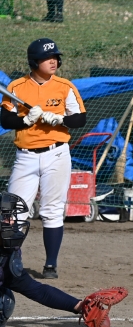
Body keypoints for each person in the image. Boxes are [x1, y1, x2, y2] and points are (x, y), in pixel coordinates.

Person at [0, 192, 127, 327]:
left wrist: (79, 306)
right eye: (6, 218)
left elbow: (37, 290)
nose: (13, 222)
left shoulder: (7, 253)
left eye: (11, 217)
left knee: (4, 301)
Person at [0, 38, 87, 279]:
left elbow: (80, 118)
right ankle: (10, 261)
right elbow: (5, 119)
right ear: (34, 62)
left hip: (56, 154)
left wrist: (59, 119)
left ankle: (50, 265)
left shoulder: (64, 86)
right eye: (47, 58)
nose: (53, 61)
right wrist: (26, 120)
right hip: (25, 156)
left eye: (55, 57)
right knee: (13, 211)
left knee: (52, 210)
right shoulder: (17, 87)